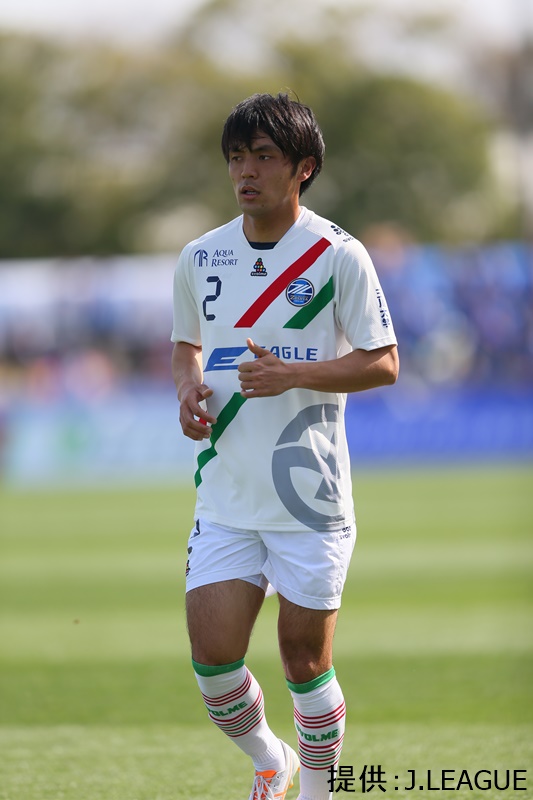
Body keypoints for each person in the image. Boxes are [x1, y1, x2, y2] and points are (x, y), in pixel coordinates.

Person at [171, 92, 399, 800]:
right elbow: (186, 345)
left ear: (303, 168)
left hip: (308, 495)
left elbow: (383, 361)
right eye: (237, 157)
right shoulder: (199, 256)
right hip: (227, 493)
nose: (246, 171)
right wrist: (186, 390)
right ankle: (272, 760)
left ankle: (318, 793)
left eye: (264, 156)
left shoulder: (338, 255)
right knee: (213, 664)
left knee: (304, 661)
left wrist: (292, 374)